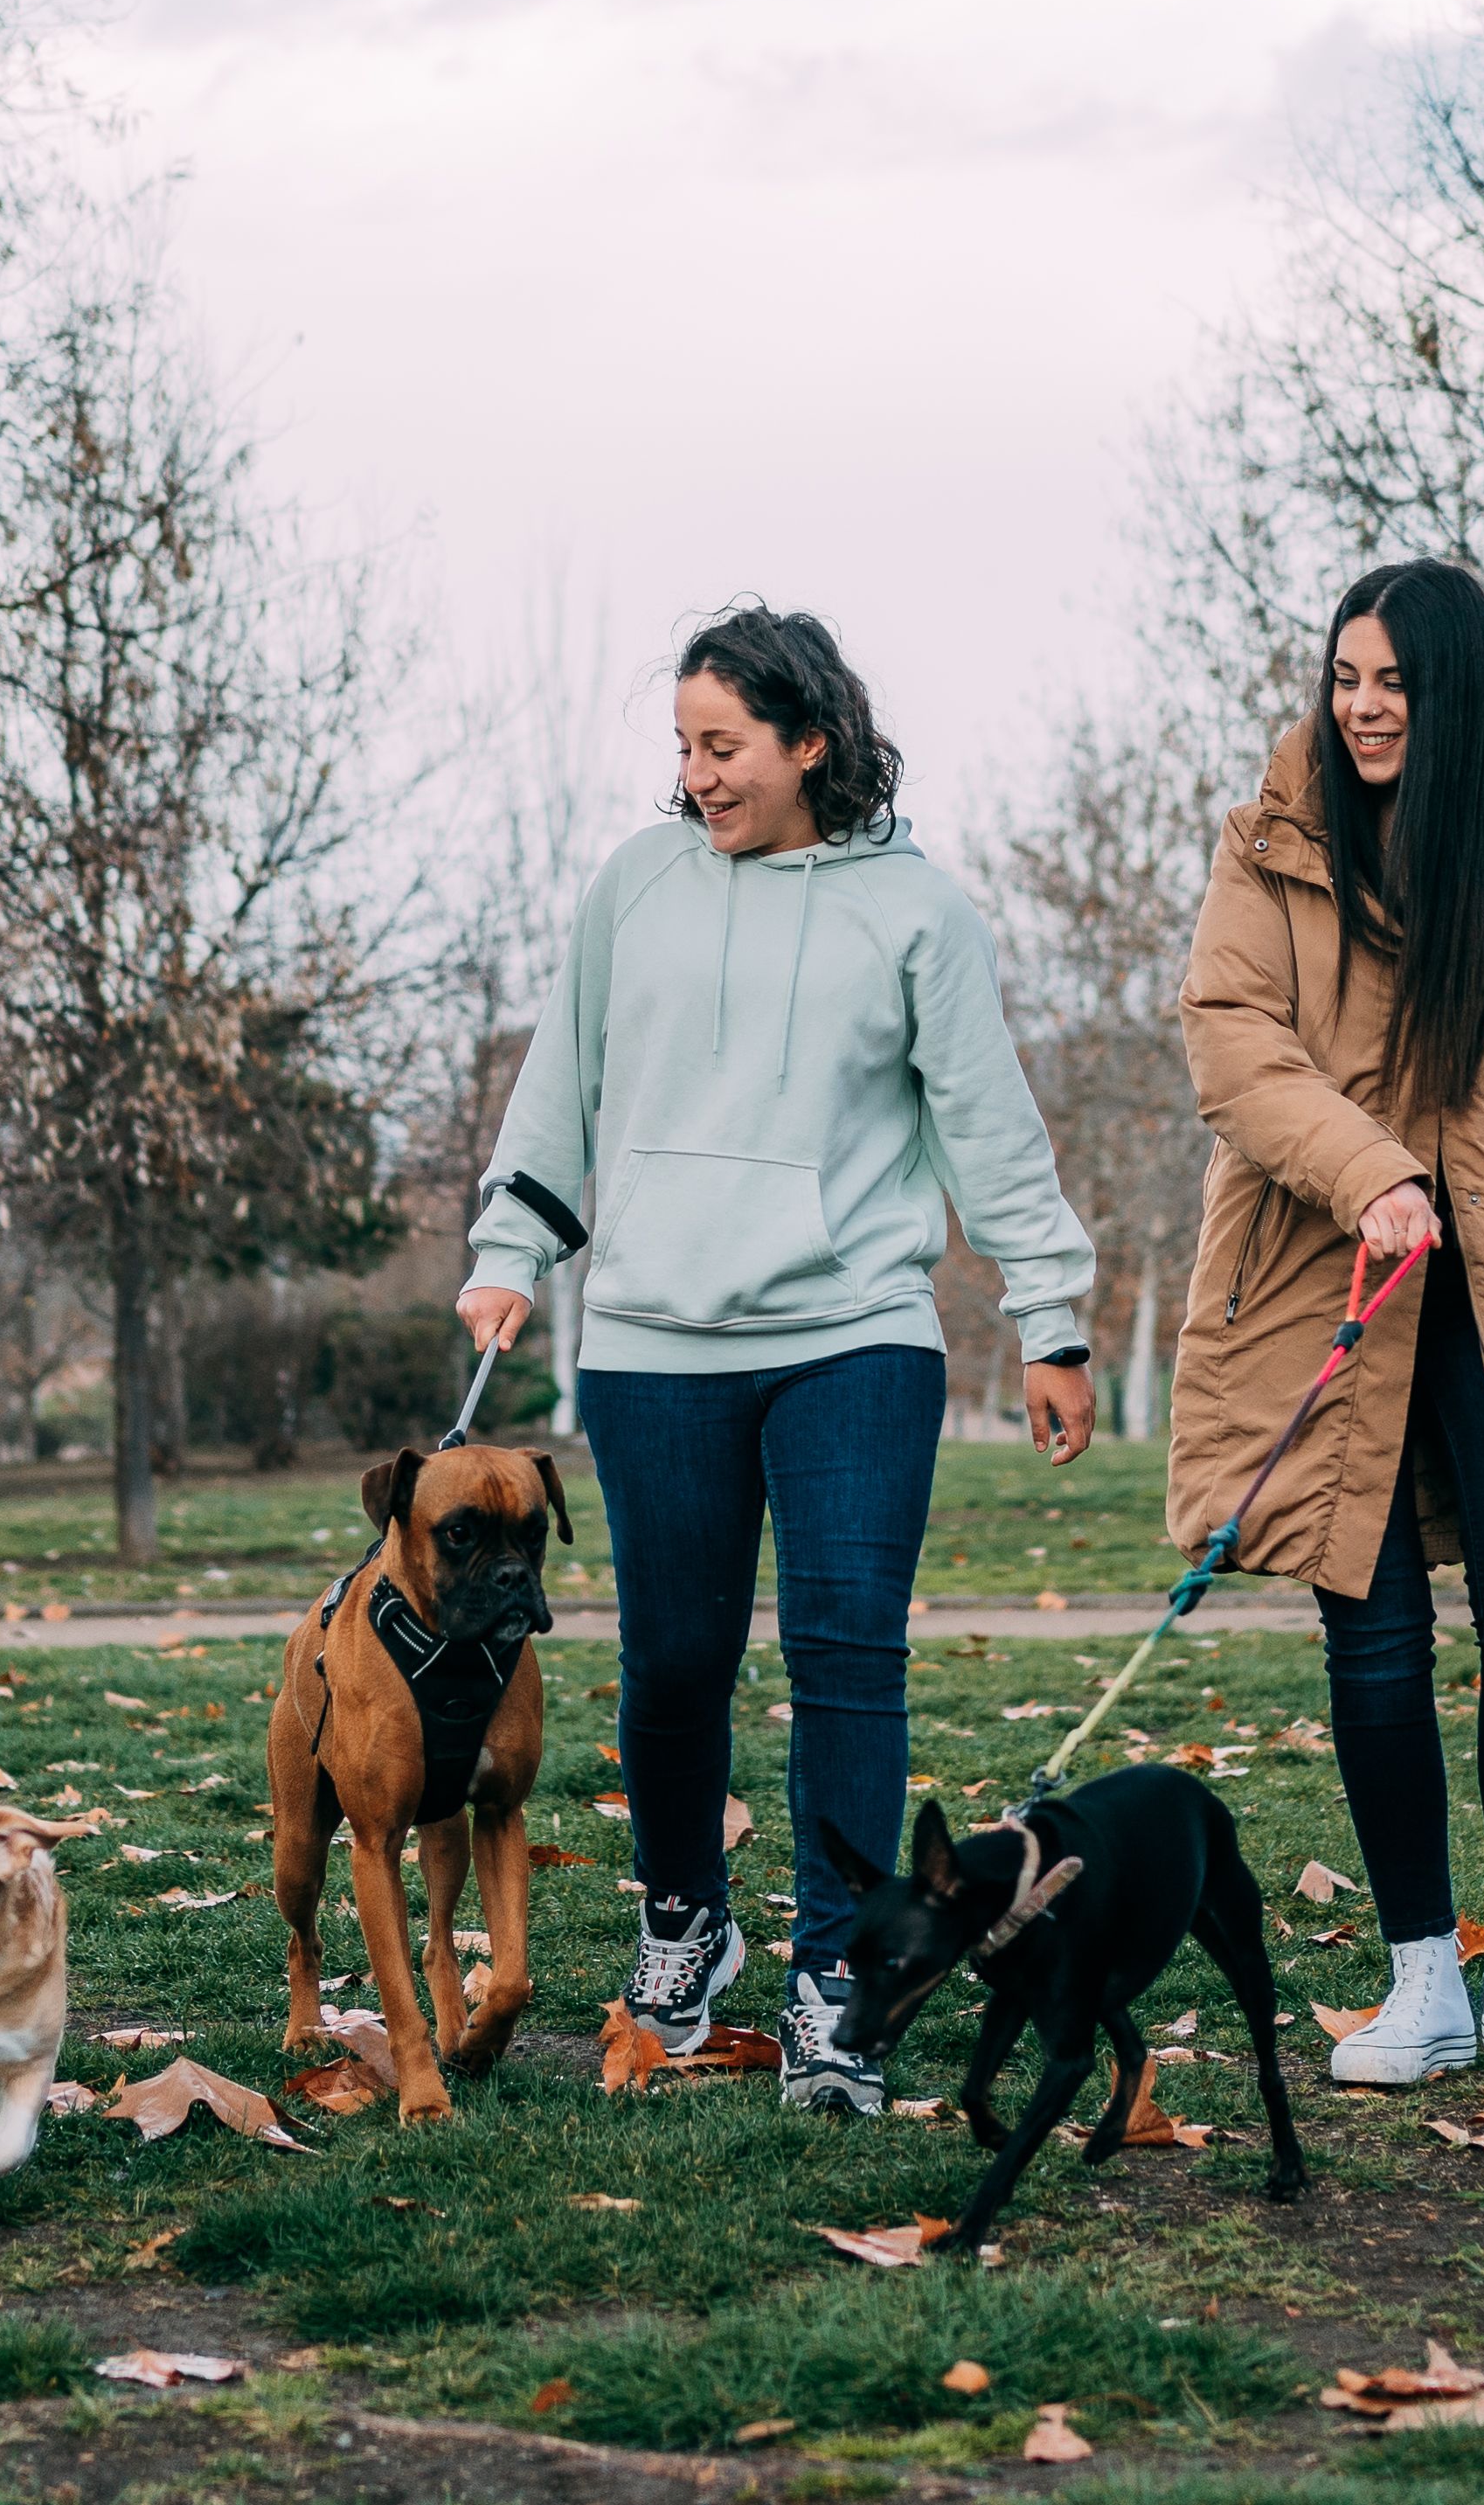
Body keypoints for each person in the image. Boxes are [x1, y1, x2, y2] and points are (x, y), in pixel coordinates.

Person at [454, 605, 1100, 2115]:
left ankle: (834, 1972)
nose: (696, 777)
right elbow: (566, 1079)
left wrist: (1050, 1315)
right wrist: (509, 1250)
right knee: (674, 1665)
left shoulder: (918, 912)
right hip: (654, 1340)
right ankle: (685, 1916)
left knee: (842, 1651)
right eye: (682, 747)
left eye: (724, 745)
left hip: (851, 1333)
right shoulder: (636, 886)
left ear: (810, 741)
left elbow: (987, 1128)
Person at [1173, 559, 1484, 2088]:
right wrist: (1367, 1170)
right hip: (1329, 1273)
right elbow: (1230, 1039)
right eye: (1344, 677)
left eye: (1393, 682)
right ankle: (1415, 1985)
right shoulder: (1273, 843)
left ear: (1454, 694)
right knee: (1368, 1633)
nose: (1363, 707)